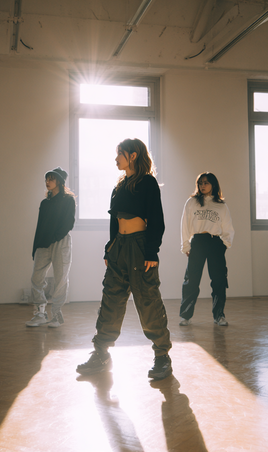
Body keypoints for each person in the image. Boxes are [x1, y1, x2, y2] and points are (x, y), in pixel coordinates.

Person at [76, 138, 172, 380]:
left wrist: (152, 251)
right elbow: (114, 220)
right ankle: (101, 353)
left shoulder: (147, 183)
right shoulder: (119, 186)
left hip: (140, 247)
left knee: (148, 301)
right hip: (119, 247)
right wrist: (110, 248)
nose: (116, 158)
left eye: (120, 153)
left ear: (133, 155)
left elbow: (157, 219)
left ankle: (162, 356)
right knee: (111, 299)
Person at [179, 172, 234, 327]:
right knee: (191, 280)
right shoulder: (191, 202)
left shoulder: (221, 205)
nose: (202, 186)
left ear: (213, 185)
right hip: (198, 242)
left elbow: (228, 227)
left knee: (219, 281)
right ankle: (185, 316)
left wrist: (224, 244)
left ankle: (219, 315)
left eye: (206, 183)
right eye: (200, 183)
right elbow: (184, 225)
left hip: (215, 243)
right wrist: (186, 245)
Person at [25, 167, 76, 328]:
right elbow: (40, 226)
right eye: (46, 179)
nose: (47, 182)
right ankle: (40, 313)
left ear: (59, 181)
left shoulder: (68, 200)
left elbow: (69, 223)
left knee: (61, 278)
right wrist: (35, 247)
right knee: (36, 277)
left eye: (51, 179)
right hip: (43, 243)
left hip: (60, 242)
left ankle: (56, 314)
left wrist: (55, 237)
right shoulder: (45, 203)